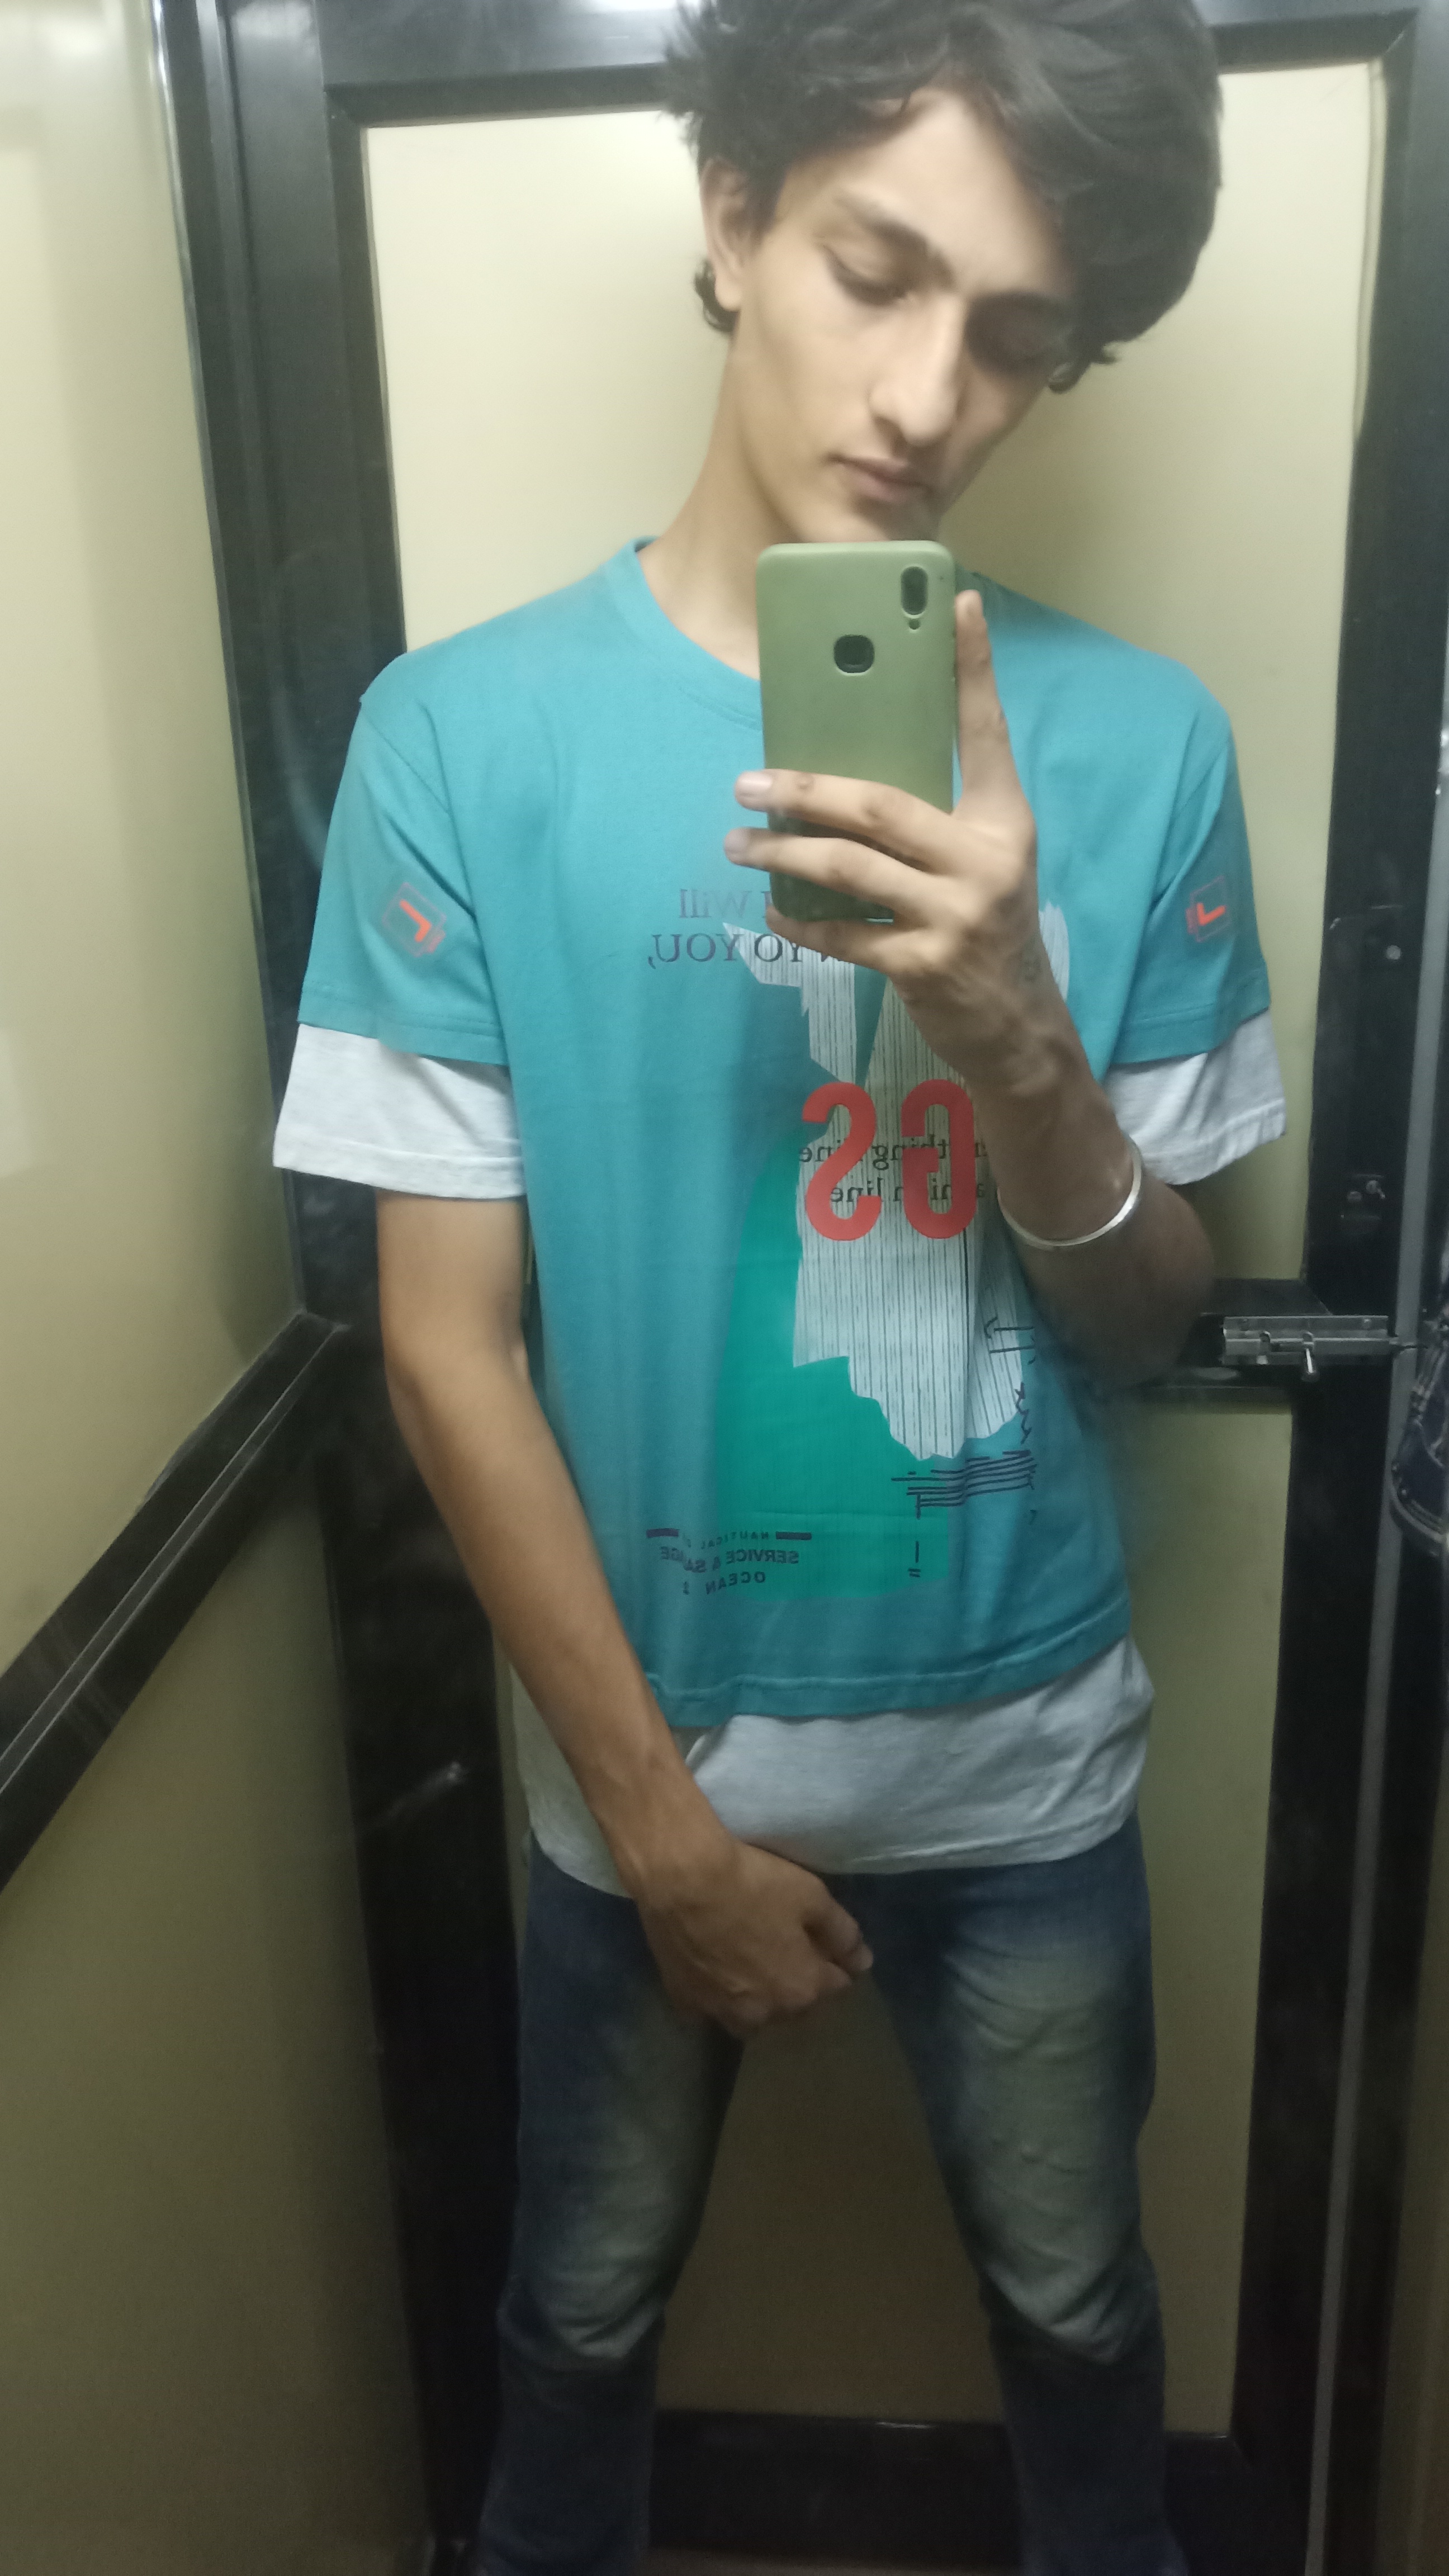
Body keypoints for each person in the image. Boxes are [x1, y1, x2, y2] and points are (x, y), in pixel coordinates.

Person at [273, 2, 1287, 2568]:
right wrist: (665, 1837)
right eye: (877, 269)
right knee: (573, 2330)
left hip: (1029, 1770)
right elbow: (442, 1346)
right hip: (647, 1785)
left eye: (1018, 337)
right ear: (731, 219)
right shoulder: (458, 742)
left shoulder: (1142, 748)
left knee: (1084, 2322)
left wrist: (1016, 1032)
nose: (932, 396)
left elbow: (1160, 1326)